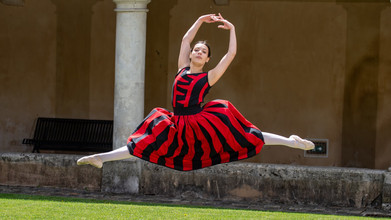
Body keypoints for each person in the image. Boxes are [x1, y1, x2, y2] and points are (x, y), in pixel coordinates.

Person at [77, 14, 314, 171]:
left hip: (197, 123)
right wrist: (201, 19)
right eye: (197, 50)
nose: (199, 52)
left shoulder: (207, 77)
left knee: (244, 134)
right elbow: (185, 38)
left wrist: (231, 29)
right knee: (144, 143)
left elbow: (230, 55)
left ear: (208, 59)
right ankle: (101, 158)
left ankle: (291, 142)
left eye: (204, 52)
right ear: (191, 55)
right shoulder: (182, 69)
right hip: (175, 122)